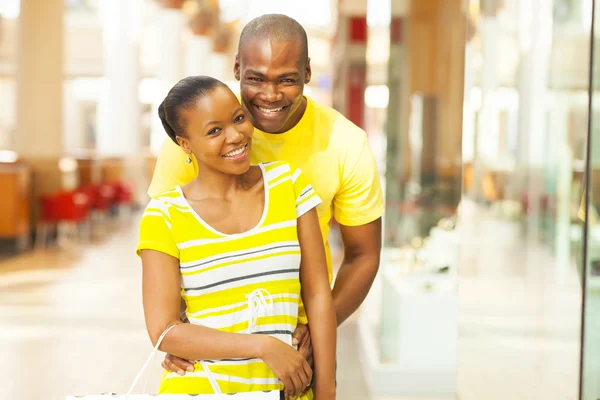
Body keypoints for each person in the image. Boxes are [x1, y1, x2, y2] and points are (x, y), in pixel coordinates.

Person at [149, 14, 384, 375]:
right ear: (238, 68)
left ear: (307, 72)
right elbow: (166, 247)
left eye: (286, 80)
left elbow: (364, 254)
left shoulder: (345, 143)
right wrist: (179, 334)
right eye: (255, 79)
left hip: (293, 346)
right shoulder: (191, 142)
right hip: (212, 355)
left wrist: (319, 331)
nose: (270, 95)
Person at [138, 75, 336, 399]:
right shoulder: (164, 216)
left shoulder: (290, 186)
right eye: (214, 131)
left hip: (286, 391)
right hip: (199, 389)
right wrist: (262, 346)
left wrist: (326, 391)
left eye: (238, 118)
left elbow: (318, 295)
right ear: (185, 144)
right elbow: (163, 331)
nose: (235, 136)